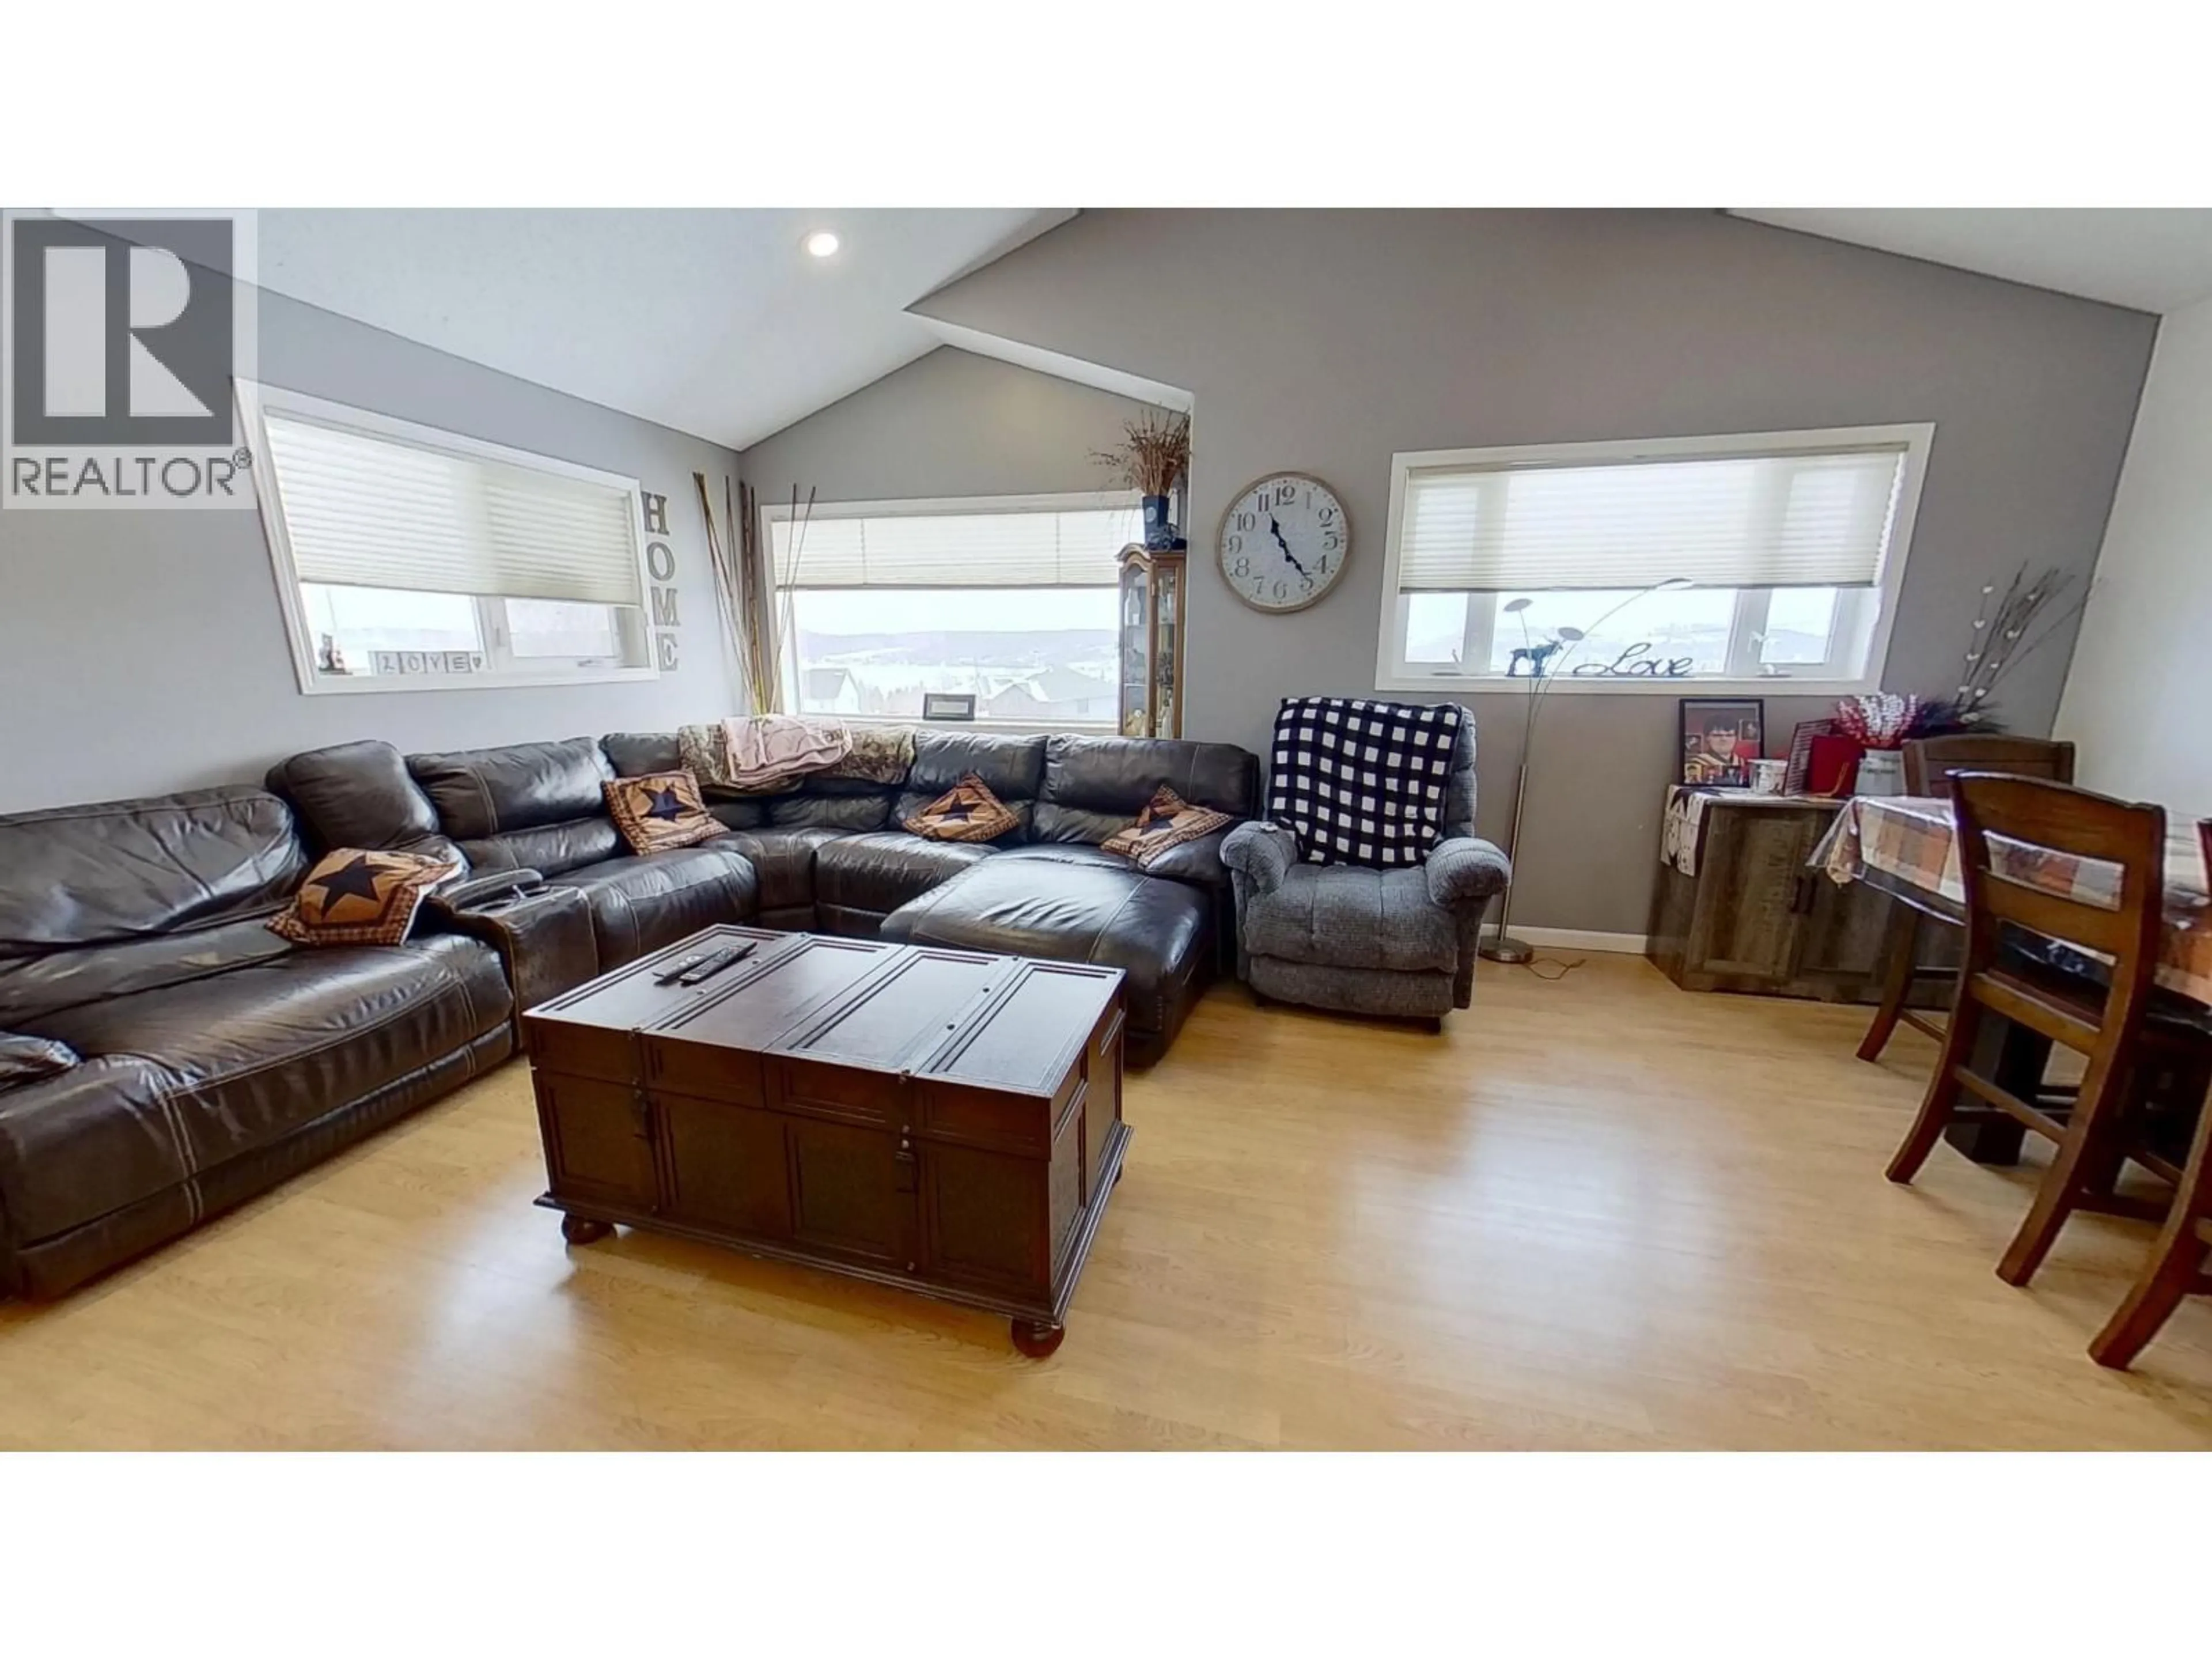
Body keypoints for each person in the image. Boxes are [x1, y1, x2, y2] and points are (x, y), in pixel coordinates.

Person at [1685, 718, 1757, 786]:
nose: (1724, 739)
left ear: (1736, 738)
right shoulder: (1696, 762)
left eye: (1729, 735)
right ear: (1707, 738)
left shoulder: (1741, 761)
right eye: (1717, 735)